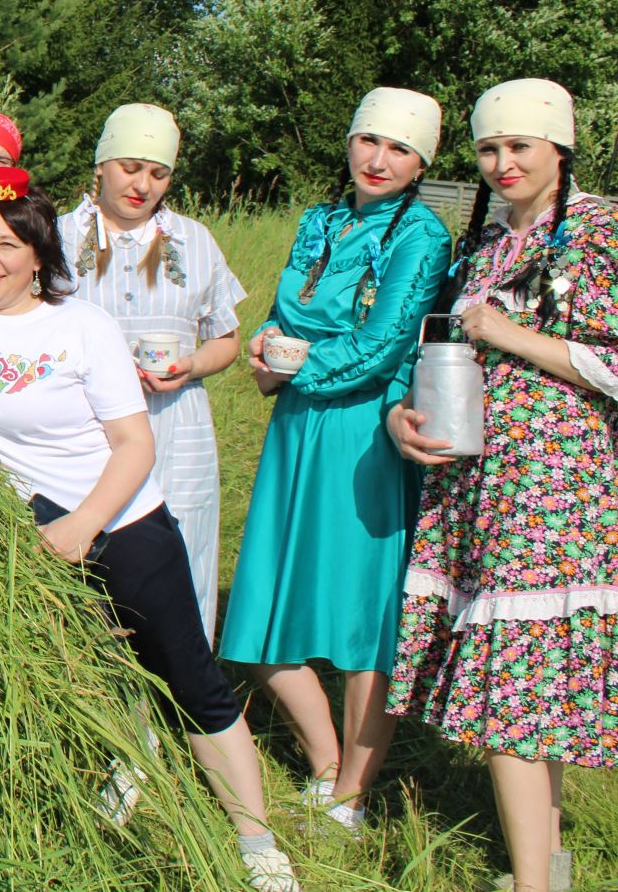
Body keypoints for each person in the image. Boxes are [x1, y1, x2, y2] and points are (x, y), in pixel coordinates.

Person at [0, 169, 300, 892]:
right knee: (68, 677)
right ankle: (107, 781)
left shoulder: (82, 326)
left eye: (8, 245)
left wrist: (85, 525)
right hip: (11, 532)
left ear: (39, 254)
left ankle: (257, 843)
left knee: (189, 677)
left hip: (117, 520)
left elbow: (134, 444)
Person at [387, 79, 616, 892]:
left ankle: (531, 885)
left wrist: (509, 332)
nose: (503, 162)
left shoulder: (599, 231)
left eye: (521, 145)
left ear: (560, 147)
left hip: (554, 483)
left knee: (515, 693)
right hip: (480, 482)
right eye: (489, 149)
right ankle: (546, 868)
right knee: (527, 684)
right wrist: (406, 419)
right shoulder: (483, 246)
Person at [219, 87, 451, 832]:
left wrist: (292, 366)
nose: (379, 159)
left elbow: (383, 344)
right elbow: (289, 313)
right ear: (349, 142)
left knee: (359, 613)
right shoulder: (318, 221)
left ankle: (352, 791)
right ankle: (324, 759)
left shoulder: (423, 235)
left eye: (400, 148)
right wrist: (264, 343)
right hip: (296, 428)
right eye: (368, 141)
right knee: (261, 600)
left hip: (364, 433)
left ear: (422, 163)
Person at [58, 104, 244, 636]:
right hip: (89, 428)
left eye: (158, 174)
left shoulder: (195, 241)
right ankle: (104, 697)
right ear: (101, 165)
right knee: (97, 550)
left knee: (181, 554)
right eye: (130, 167)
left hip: (175, 425)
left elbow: (226, 339)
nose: (142, 185)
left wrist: (190, 367)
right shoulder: (57, 238)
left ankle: (185, 694)